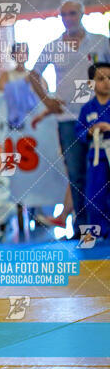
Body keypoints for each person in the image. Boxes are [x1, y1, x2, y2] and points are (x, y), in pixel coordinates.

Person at [28, 0, 110, 237]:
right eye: (64, 15)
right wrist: (47, 100)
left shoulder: (100, 42)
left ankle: (105, 223)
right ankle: (83, 227)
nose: (68, 19)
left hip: (101, 113)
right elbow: (33, 74)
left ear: (82, 14)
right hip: (68, 117)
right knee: (76, 173)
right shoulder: (53, 46)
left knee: (104, 170)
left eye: (73, 14)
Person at [76, 63, 110, 239]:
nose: (106, 82)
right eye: (101, 78)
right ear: (91, 83)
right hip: (97, 158)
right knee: (94, 196)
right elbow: (79, 131)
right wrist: (90, 131)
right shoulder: (87, 109)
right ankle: (99, 232)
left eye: (109, 78)